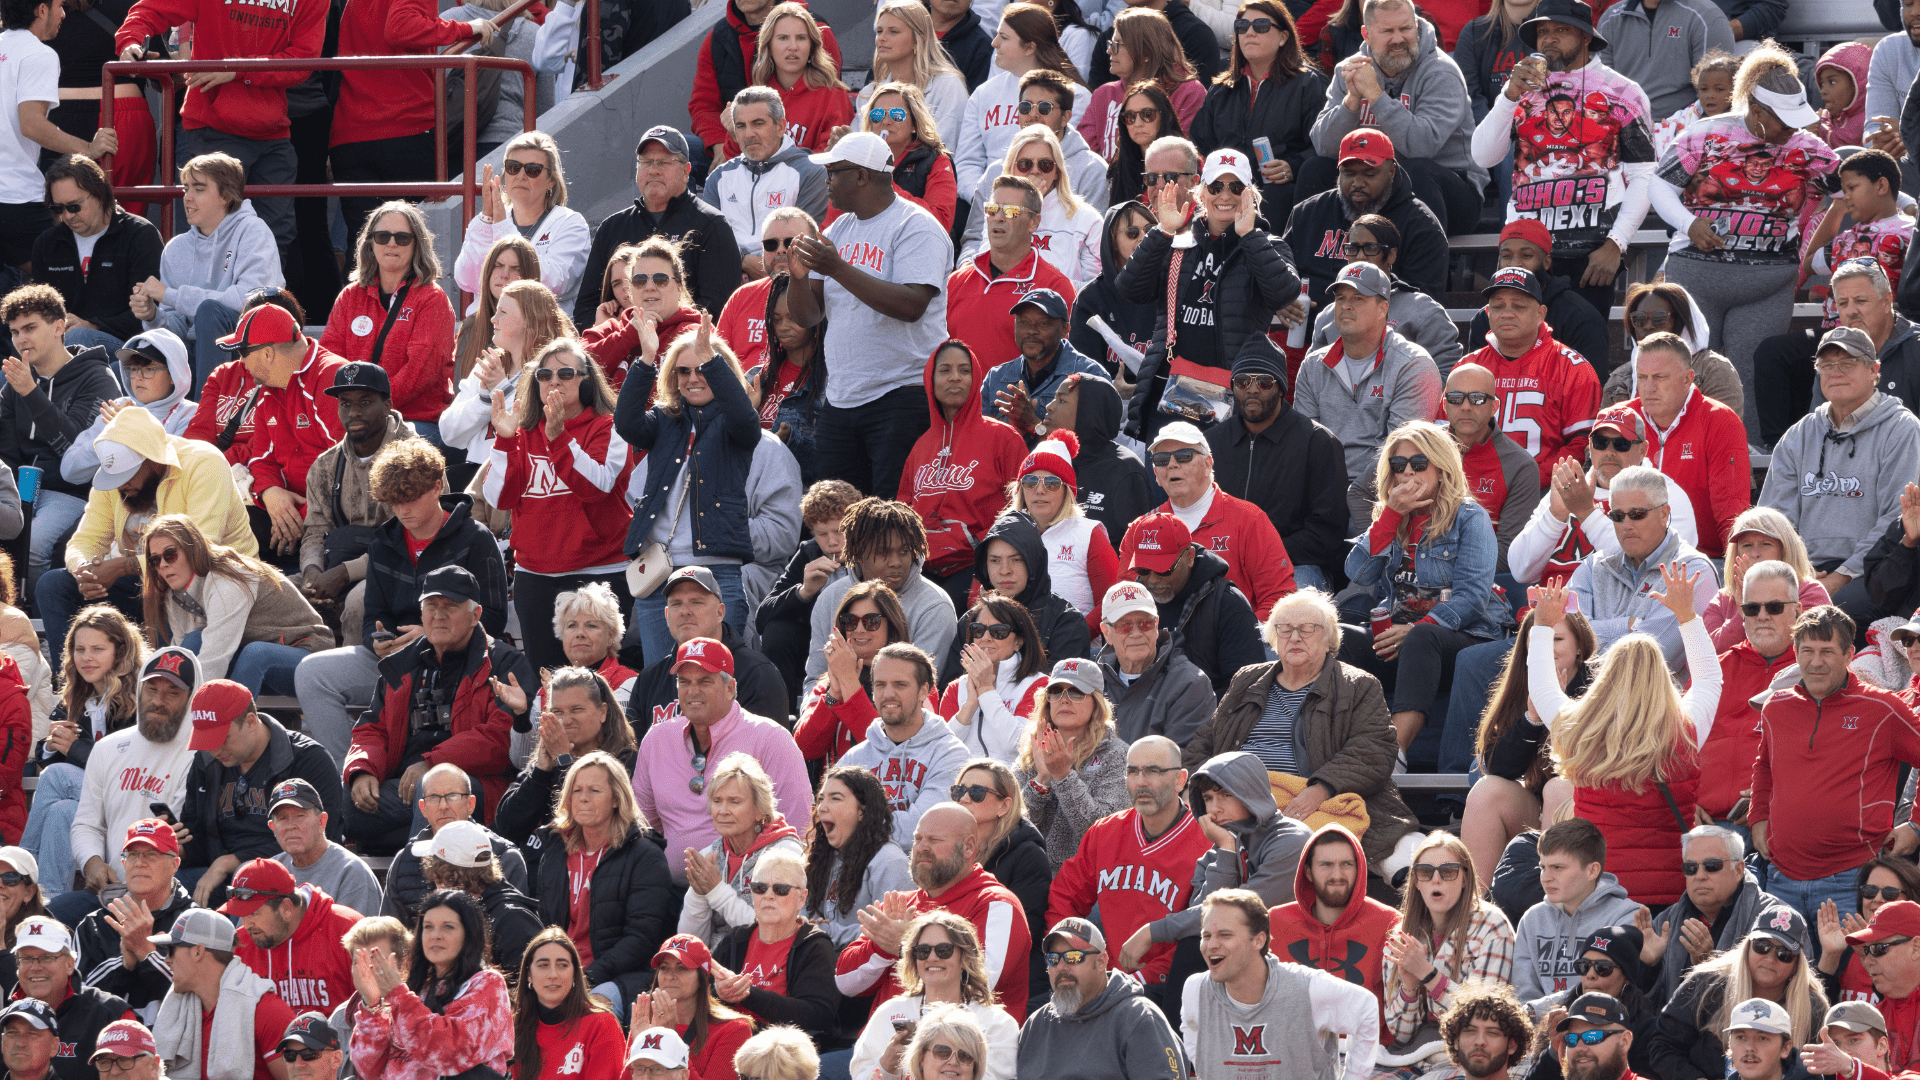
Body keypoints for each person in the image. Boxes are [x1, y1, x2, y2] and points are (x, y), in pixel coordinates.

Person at [1647, 46, 1839, 438]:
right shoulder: (1704, 133)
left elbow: (1851, 190)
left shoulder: (1809, 148)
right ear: (1756, 109)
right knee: (1693, 370)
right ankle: (1682, 454)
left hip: (1767, 283)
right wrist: (1689, 222)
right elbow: (1659, 184)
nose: (1791, 129)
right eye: (1783, 120)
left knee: (1750, 374)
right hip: (1697, 274)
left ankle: (1746, 463)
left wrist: (1807, 243)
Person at [292, 439, 510, 767]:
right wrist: (376, 640)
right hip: (398, 662)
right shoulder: (384, 544)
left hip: (462, 664)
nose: (404, 510)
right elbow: (373, 617)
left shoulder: (475, 537)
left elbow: (493, 618)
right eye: (395, 502)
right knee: (312, 672)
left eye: (411, 498)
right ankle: (346, 775)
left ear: (437, 487)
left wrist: (432, 633)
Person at [1531, 559, 1721, 905]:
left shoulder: (1578, 731)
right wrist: (1686, 615)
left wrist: (1542, 625)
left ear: (1606, 679)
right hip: (1672, 899)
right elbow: (1709, 677)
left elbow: (1542, 688)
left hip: (1597, 896)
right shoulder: (1686, 731)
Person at [786, 131, 952, 499]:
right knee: (838, 517)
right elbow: (809, 317)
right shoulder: (836, 230)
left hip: (901, 394)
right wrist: (798, 280)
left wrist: (838, 268)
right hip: (842, 398)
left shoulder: (916, 226)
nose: (827, 181)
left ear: (861, 175)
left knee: (891, 512)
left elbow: (912, 306)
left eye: (834, 172)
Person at [1468, 0, 1656, 323]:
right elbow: (1483, 155)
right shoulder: (1523, 91)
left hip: (1592, 254)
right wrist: (1509, 95)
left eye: (1561, 30)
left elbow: (1645, 176)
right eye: (1543, 31)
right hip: (1526, 250)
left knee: (1584, 357)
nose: (1549, 38)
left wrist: (1617, 244)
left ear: (1585, 37)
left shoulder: (1624, 92)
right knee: (1523, 355)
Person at [42, 404, 254, 674]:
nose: (120, 485)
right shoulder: (115, 484)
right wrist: (85, 570)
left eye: (126, 475)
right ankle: (73, 688)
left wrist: (121, 567)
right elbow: (84, 540)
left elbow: (199, 550)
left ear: (152, 461)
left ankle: (158, 686)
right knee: (54, 585)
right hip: (147, 580)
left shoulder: (204, 463)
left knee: (166, 586)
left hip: (213, 582)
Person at [1340, 419, 1506, 751]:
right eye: (1398, 465)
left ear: (1441, 469)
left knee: (1421, 637)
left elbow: (1472, 598)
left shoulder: (1470, 518)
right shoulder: (1390, 517)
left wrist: (1418, 627)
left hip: (1460, 637)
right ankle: (1335, 747)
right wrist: (1389, 517)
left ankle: (1394, 757)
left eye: (1419, 464)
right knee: (1338, 637)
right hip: (1403, 634)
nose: (1408, 475)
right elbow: (1356, 573)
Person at [340, 565, 528, 854]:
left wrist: (432, 764)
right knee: (351, 801)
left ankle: (418, 872)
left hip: (477, 789)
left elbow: (500, 739)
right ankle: (428, 842)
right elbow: (371, 728)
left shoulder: (505, 663)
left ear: (475, 615)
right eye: (431, 605)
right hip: (405, 786)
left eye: (450, 606)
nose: (438, 614)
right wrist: (363, 770)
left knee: (431, 790)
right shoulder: (401, 663)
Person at [1752, 605, 1920, 929]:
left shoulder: (1883, 708)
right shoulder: (1775, 705)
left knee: (1845, 978)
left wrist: (1915, 825)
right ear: (1796, 652)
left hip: (1851, 879)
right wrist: (1758, 817)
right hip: (1780, 877)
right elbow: (1765, 767)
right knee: (1780, 978)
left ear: (1849, 655)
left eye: (1827, 651)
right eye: (1807, 651)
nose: (1815, 662)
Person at [1119, 150, 1302, 443]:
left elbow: (1285, 293)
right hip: (1170, 389)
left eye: (1236, 187)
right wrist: (1162, 231)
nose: (1225, 195)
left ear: (1250, 195)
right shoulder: (1176, 242)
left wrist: (1249, 234)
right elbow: (1129, 288)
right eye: (1216, 187)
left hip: (1232, 393)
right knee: (1164, 481)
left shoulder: (1267, 245)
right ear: (1202, 193)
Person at [486, 339, 633, 675]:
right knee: (547, 682)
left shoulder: (609, 427)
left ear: (587, 380)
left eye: (566, 373)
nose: (554, 380)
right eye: (544, 374)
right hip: (536, 578)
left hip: (599, 573)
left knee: (599, 682)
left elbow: (597, 486)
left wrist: (559, 439)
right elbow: (498, 498)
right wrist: (506, 440)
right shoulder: (520, 432)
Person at [1759, 328, 1920, 630]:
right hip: (1805, 569)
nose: (1836, 372)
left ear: (1874, 370)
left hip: (1872, 571)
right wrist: (1799, 574)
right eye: (1827, 365)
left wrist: (1839, 577)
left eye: (1847, 363)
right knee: (1751, 608)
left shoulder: (1902, 429)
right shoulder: (1800, 434)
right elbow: (1774, 519)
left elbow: (1895, 520)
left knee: (1834, 619)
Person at [1756, 151, 1912, 445]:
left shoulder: (1908, 232)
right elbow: (1808, 262)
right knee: (1773, 352)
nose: (1847, 196)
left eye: (1852, 188)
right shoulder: (1845, 239)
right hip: (1834, 333)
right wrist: (1837, 209)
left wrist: (1908, 204)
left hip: (1884, 335)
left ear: (1881, 186)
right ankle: (1780, 447)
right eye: (1843, 190)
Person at [631, 638, 809, 883]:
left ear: (730, 688)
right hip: (667, 895)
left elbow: (797, 829)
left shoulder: (771, 738)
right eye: (684, 682)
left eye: (705, 681)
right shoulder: (657, 739)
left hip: (747, 893)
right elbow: (643, 825)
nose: (692, 691)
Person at [837, 801, 1033, 1019]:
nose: (921, 848)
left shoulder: (996, 904)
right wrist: (882, 949)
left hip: (962, 1046)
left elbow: (981, 985)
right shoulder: (899, 904)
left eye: (934, 840)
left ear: (969, 847)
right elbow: (845, 981)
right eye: (918, 839)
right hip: (883, 1045)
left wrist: (906, 948)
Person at [1304, 0, 1484, 234]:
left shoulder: (1441, 72)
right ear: (1366, 35)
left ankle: (1427, 269)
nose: (1399, 39)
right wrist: (1351, 102)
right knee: (1315, 169)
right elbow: (1324, 147)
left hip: (1450, 191)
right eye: (1388, 31)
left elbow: (1422, 146)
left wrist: (1376, 96)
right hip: (1372, 184)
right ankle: (1316, 264)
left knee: (1415, 171)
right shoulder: (1349, 70)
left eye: (1406, 29)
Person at [1294, 262, 1446, 533]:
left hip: (1383, 498)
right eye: (1340, 298)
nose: (1346, 306)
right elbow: (1305, 446)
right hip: (1322, 496)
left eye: (1358, 299)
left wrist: (1349, 496)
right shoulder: (1312, 365)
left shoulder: (1414, 364)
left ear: (1383, 308)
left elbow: (1402, 454)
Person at [63, 648, 201, 927]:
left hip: (165, 892)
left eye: (172, 693)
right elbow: (87, 823)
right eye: (151, 689)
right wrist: (91, 861)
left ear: (191, 699)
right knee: (50, 915)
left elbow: (186, 843)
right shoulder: (107, 748)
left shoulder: (199, 755)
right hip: (111, 888)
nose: (158, 701)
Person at [0, 284, 122, 599]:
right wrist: (16, 496)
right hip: (23, 485)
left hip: (72, 491)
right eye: (14, 332)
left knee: (35, 542)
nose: (21, 339)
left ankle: (37, 618)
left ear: (58, 327)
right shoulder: (16, 383)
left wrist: (31, 393)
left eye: (30, 328)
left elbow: (75, 453)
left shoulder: (98, 378)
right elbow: (6, 450)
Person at [1181, 888, 1380, 1080]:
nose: (1211, 945)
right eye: (1206, 936)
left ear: (1258, 940)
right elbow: (1191, 1032)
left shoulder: (1308, 989)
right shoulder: (1196, 989)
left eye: (1225, 935)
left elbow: (1366, 1009)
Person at [527, 754, 673, 1011]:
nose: (583, 798)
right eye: (577, 790)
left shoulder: (645, 856)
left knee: (591, 1006)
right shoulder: (555, 847)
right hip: (560, 970)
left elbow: (640, 940)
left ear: (617, 799)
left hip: (619, 976)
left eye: (594, 790)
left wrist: (584, 978)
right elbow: (546, 922)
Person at [121, 155, 284, 386]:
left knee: (210, 311)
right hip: (196, 353)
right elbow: (178, 327)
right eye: (186, 188)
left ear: (226, 196)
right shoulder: (175, 249)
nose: (187, 198)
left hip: (251, 351)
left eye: (199, 189)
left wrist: (171, 295)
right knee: (134, 356)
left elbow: (250, 303)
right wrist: (153, 316)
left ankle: (209, 413)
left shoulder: (253, 231)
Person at [177, 681, 343, 904]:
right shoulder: (205, 761)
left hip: (291, 880)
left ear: (251, 722)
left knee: (246, 886)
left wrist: (234, 861)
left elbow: (318, 838)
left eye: (222, 739)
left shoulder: (309, 760)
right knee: (159, 887)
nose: (215, 750)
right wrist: (180, 849)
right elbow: (198, 836)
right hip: (220, 877)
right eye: (207, 742)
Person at [290, 362, 416, 644]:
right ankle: (307, 673)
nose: (354, 412)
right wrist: (313, 572)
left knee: (360, 603)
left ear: (387, 405)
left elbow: (417, 536)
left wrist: (346, 573)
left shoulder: (413, 458)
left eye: (366, 402)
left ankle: (354, 682)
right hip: (336, 564)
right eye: (345, 404)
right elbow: (315, 529)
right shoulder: (326, 464)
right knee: (276, 593)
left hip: (401, 570)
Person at [139, 516, 333, 695]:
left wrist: (185, 707)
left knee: (256, 654)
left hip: (309, 656)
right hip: (253, 663)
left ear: (193, 550)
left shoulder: (227, 578)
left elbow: (214, 659)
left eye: (170, 555)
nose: (163, 564)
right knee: (192, 643)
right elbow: (183, 655)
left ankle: (227, 726)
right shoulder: (175, 594)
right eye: (155, 560)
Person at [900, 341, 1030, 607]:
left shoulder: (1003, 438)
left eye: (964, 370)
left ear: (976, 378)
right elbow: (903, 511)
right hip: (921, 569)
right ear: (930, 380)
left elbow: (1022, 512)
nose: (955, 377)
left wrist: (980, 545)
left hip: (977, 566)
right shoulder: (920, 447)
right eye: (945, 370)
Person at [573, 127, 741, 328]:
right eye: (646, 162)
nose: (653, 170)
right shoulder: (612, 228)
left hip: (682, 351)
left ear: (686, 171)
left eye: (663, 162)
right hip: (617, 349)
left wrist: (654, 333)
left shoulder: (712, 226)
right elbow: (585, 308)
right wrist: (618, 335)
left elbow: (717, 309)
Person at [1455, 266, 1604, 490]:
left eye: (1519, 306)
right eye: (1497, 306)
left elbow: (1581, 446)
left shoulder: (1574, 369)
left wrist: (1528, 483)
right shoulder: (1466, 368)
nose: (1506, 313)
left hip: (1543, 492)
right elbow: (1443, 438)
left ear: (1540, 314)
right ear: (1488, 313)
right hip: (1470, 491)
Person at [315, 207, 456, 443]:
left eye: (402, 238)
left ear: (416, 245)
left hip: (414, 421)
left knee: (377, 453)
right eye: (382, 237)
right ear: (370, 243)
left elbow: (418, 376)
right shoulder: (350, 296)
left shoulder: (432, 299)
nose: (391, 244)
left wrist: (367, 409)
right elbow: (329, 362)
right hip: (354, 418)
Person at [1376, 834, 1516, 1069]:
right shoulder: (1401, 936)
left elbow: (1483, 1018)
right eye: (1425, 872)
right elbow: (1401, 1034)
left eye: (1448, 871)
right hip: (1412, 1056)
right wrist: (1409, 988)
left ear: (1464, 878)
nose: (1436, 879)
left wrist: (1428, 975)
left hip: (1469, 1056)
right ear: (1416, 881)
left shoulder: (1492, 925)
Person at [227, 302, 349, 570]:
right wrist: (271, 493)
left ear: (268, 353)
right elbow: (260, 458)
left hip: (337, 520)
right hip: (290, 513)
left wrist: (296, 517)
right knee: (227, 528)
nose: (241, 362)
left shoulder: (332, 377)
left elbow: (350, 476)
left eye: (242, 352)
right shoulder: (269, 388)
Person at [344, 890, 513, 1080]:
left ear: (469, 934)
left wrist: (398, 994)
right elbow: (367, 1068)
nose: (436, 935)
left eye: (448, 927)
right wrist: (372, 1004)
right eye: (428, 927)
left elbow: (449, 1054)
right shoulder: (413, 988)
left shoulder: (488, 984)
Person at [1186, 2, 1325, 225]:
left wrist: (1293, 167)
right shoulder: (1221, 89)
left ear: (1283, 37)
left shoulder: (1309, 85)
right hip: (1223, 197)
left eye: (1260, 25)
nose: (1249, 32)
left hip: (1279, 202)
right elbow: (1199, 146)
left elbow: (1324, 149)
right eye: (1242, 26)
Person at [1280, 128, 1449, 309]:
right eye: (1349, 173)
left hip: (1384, 333)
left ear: (1391, 171)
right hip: (1305, 329)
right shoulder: (1307, 212)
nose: (1358, 183)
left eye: (1369, 174)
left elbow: (1423, 306)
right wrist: (1282, 295)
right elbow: (1280, 264)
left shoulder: (1421, 225)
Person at [1144, 420, 1297, 618]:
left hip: (1233, 642)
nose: (1172, 464)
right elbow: (1127, 599)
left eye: (1184, 456)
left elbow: (1279, 596)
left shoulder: (1249, 519)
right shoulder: (1142, 527)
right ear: (1155, 473)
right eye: (1162, 459)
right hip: (1165, 644)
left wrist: (1244, 637)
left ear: (1208, 464)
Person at [1648, 915, 1830, 1080]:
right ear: (1747, 947)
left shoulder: (1813, 1007)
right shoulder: (1706, 984)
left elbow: (1825, 1069)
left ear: (1797, 964)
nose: (1770, 958)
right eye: (1762, 946)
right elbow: (1662, 1046)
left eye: (1784, 954)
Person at [1620, 334, 1749, 561]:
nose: (1649, 387)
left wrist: (1732, 573)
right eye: (1642, 377)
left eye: (1659, 377)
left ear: (1688, 379)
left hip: (1701, 559)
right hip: (1627, 561)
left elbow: (1730, 514)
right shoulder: (1619, 420)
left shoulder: (1720, 421)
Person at [848, 912, 1017, 1080]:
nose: (933, 957)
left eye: (944, 950)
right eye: (923, 951)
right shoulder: (889, 1012)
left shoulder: (997, 1023)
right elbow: (860, 1074)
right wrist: (887, 1065)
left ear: (965, 957)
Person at [834, 644, 972, 848]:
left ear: (923, 690)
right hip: (856, 868)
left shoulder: (951, 755)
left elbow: (920, 829)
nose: (888, 694)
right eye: (880, 685)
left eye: (900, 684)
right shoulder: (854, 759)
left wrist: (852, 823)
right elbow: (830, 822)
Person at [806, 499, 961, 682]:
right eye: (883, 553)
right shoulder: (830, 597)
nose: (895, 562)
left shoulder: (935, 606)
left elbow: (921, 687)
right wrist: (819, 706)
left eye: (904, 551)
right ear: (858, 555)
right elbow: (815, 679)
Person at [945, 184, 1078, 396]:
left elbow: (1065, 368)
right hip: (957, 415)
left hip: (1018, 416)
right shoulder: (955, 282)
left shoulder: (1055, 287)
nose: (998, 218)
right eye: (992, 210)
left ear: (1034, 222)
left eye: (1010, 211)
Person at [1644, 826, 1803, 1003]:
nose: (1700, 876)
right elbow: (1647, 1011)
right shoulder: (1665, 922)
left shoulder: (1779, 921)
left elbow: (1794, 999)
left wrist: (1710, 966)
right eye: (1690, 868)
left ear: (1738, 870)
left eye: (1711, 866)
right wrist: (1647, 967)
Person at [1013, 916, 1185, 1080]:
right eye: (1053, 959)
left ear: (1101, 962)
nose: (1061, 966)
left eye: (1073, 957)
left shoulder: (1139, 1019)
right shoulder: (1036, 1025)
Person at [495, 665, 639, 855]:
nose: (566, 720)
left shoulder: (625, 759)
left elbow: (586, 821)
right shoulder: (544, 759)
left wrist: (564, 760)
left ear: (602, 712)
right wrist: (540, 773)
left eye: (576, 709)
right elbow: (506, 826)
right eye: (558, 712)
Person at [954, 4, 1090, 204]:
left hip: (1053, 203)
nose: (994, 43)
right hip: (991, 206)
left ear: (1029, 47)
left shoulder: (1076, 96)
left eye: (1004, 37)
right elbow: (967, 162)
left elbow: (1071, 161)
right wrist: (989, 200)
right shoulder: (983, 94)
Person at [1118, 512, 1264, 696]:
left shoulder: (1228, 603)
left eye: (1164, 570)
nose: (1153, 580)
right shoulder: (1129, 602)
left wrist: (1189, 716)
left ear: (1190, 557)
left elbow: (1246, 688)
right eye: (1143, 570)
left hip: (1204, 718)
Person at [939, 512, 1091, 688]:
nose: (1005, 570)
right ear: (984, 565)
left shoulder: (1066, 622)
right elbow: (948, 693)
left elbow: (1062, 697)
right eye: (995, 560)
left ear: (1034, 562)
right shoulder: (971, 621)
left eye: (1016, 560)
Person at [29, 156, 161, 352]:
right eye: (58, 209)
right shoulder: (47, 243)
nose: (67, 216)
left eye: (74, 206)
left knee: (78, 337)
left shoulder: (140, 235)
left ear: (100, 195)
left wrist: (92, 325)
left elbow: (150, 314)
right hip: (60, 345)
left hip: (126, 346)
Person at [1511, 817, 1643, 1012]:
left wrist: (1537, 1010)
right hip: (1539, 1028)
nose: (1546, 878)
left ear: (1592, 871)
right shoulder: (1532, 919)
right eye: (1542, 867)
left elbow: (1605, 989)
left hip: (1599, 1024)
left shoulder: (1625, 917)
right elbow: (1524, 994)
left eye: (1558, 867)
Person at [1305, 214, 1465, 373]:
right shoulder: (1327, 316)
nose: (1360, 256)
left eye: (1370, 248)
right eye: (1353, 249)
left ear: (1392, 255)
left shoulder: (1423, 311)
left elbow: (1447, 375)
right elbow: (1311, 376)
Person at [148, 908, 296, 1080]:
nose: (167, 959)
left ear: (198, 951)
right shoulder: (183, 1011)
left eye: (171, 950)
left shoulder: (267, 1011)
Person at [686, 0, 844, 162]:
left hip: (798, 159)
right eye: (783, 38)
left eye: (800, 39)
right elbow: (703, 105)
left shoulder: (816, 30)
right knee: (674, 152)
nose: (792, 46)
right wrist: (720, 145)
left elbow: (830, 104)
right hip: (735, 146)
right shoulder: (717, 39)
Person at [1009, 656, 1128, 870]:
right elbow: (1010, 829)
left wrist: (1064, 777)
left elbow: (1100, 833)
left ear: (1096, 704)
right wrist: (1041, 781)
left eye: (1076, 692)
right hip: (1031, 874)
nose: (1064, 700)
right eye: (1056, 692)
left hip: (1088, 882)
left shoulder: (1117, 755)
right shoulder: (1031, 750)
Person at [451, 133, 590, 316]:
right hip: (485, 327)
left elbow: (557, 282)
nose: (521, 176)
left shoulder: (570, 222)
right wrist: (487, 217)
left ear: (551, 181)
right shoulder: (491, 219)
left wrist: (502, 228)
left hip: (539, 331)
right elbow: (466, 278)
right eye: (513, 167)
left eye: (533, 170)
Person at [379, 761, 532, 926]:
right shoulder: (404, 860)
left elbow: (513, 928)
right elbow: (391, 937)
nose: (443, 806)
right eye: (434, 798)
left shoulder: (505, 857)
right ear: (422, 808)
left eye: (452, 796)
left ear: (471, 804)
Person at [676, 753, 807, 946]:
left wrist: (715, 891)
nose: (723, 810)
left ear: (759, 809)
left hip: (766, 966)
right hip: (717, 965)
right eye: (717, 800)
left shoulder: (784, 853)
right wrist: (698, 893)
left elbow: (773, 931)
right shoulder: (709, 856)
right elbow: (691, 943)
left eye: (734, 802)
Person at [706, 848, 838, 1037]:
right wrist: (719, 994)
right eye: (760, 888)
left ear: (802, 898)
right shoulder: (736, 940)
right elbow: (702, 1002)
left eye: (780, 889)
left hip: (780, 1050)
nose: (768, 895)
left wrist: (748, 995)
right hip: (727, 1040)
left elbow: (818, 1016)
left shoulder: (814, 946)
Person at [959, 115, 1103, 287]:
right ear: (1012, 168)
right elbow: (989, 267)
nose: (1035, 172)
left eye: (1045, 165)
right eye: (1025, 164)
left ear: (1057, 171)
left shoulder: (1087, 219)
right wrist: (1023, 206)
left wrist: (1039, 290)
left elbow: (1093, 289)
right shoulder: (996, 211)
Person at [1466, 221, 1611, 389]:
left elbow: (1590, 395)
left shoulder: (1580, 317)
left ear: (1547, 262)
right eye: (1506, 256)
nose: (1514, 264)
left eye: (1526, 255)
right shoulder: (1485, 318)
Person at [1266, 822, 1399, 1004]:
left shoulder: (1389, 924)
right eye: (1326, 865)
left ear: (1359, 869)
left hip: (1364, 1032)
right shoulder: (1274, 923)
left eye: (1346, 864)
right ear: (1308, 872)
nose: (1337, 875)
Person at [70, 822, 191, 1022]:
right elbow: (76, 1002)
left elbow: (200, 997)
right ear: (124, 864)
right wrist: (123, 964)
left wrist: (146, 952)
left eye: (151, 854)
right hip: (105, 1047)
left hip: (173, 1049)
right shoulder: (93, 925)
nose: (139, 862)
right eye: (133, 854)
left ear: (174, 865)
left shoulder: (195, 921)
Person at [221, 857, 361, 1015]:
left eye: (254, 913)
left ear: (286, 908)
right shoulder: (241, 945)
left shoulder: (348, 930)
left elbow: (377, 1010)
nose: (247, 924)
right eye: (241, 914)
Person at [705, 88, 831, 262]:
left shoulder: (810, 172)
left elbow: (806, 243)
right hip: (729, 275)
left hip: (787, 277)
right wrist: (744, 260)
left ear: (780, 127)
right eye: (741, 126)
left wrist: (763, 265)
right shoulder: (718, 178)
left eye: (758, 124)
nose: (749, 134)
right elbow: (711, 242)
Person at [1447, 363, 1542, 575]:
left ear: (1495, 407)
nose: (1465, 407)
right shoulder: (1421, 447)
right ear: (1444, 404)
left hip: (1479, 587)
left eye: (1477, 398)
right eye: (1455, 398)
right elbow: (1361, 492)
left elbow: (1507, 555)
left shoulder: (1520, 466)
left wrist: (1440, 571)